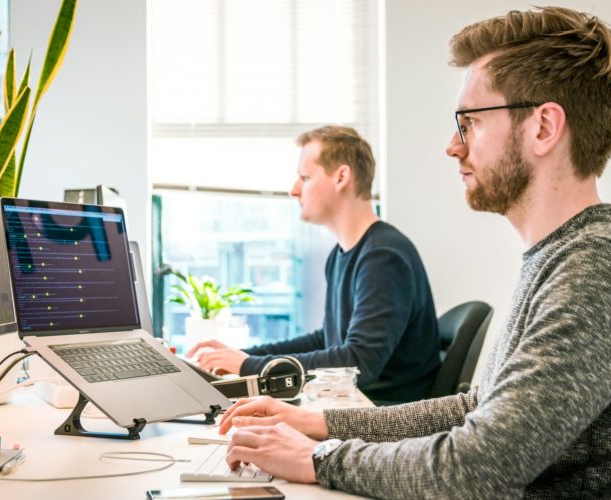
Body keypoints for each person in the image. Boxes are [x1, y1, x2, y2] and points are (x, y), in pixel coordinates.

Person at [215, 7, 611, 498]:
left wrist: (315, 457)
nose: (452, 146)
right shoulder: (564, 256)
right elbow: (476, 408)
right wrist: (318, 422)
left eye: (469, 123)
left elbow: (477, 466)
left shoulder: (599, 267)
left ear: (543, 127)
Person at [187, 125, 441, 404]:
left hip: (382, 417)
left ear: (341, 177)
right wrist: (245, 357)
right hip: (353, 406)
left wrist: (249, 367)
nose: (294, 190)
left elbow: (358, 364)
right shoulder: (342, 255)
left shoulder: (383, 257)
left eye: (305, 177)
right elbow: (327, 340)